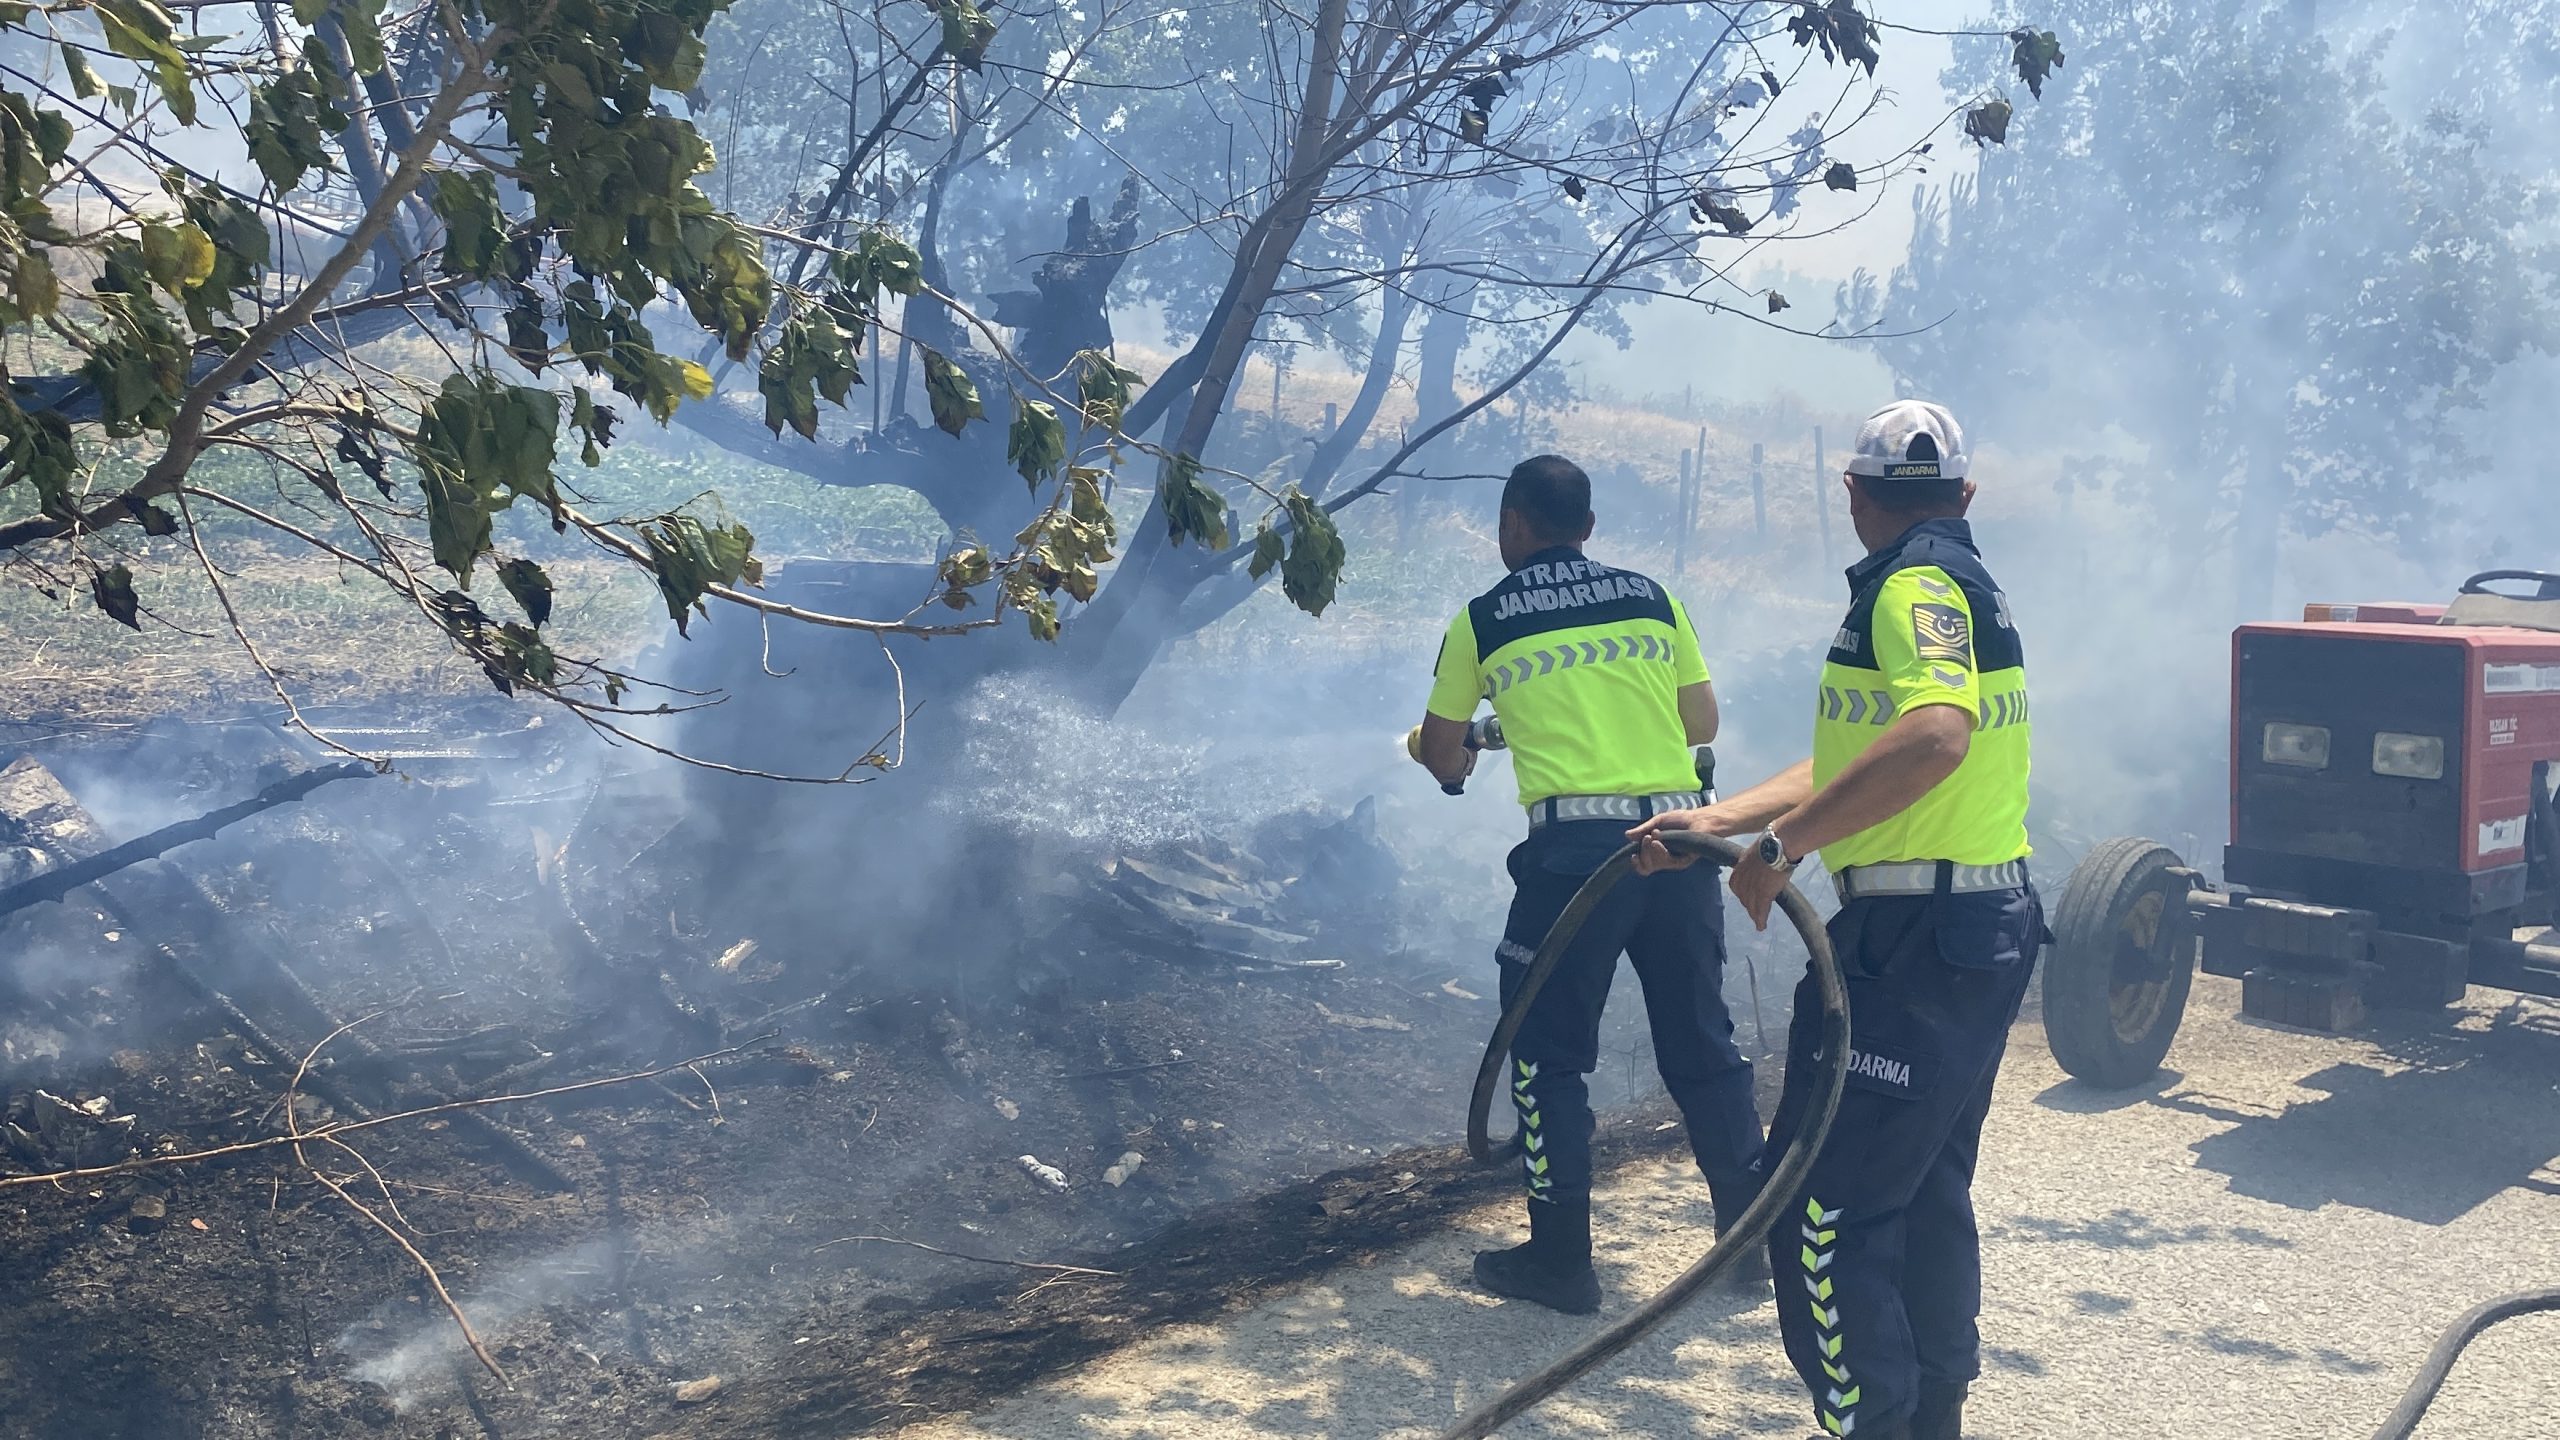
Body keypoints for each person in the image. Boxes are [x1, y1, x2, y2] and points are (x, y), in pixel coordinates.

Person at [1631, 400, 2040, 1440]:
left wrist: (1785, 848)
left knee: (1816, 1211)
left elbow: (1934, 738)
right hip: (1970, 929)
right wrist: (1726, 817)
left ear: (1852, 495)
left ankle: (1873, 1424)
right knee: (1923, 1193)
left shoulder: (1910, 589)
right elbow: (1879, 751)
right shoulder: (1960, 583)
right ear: (1964, 495)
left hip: (1912, 944)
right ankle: (1927, 1419)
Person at [1411, 453, 1766, 1316]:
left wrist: (1456, 753)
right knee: (1701, 1045)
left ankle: (1562, 1263)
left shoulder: (1483, 619)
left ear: (1511, 527)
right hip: (1684, 843)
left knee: (1545, 1056)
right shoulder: (1653, 596)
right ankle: (1751, 1249)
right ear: (1590, 529)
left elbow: (1443, 749)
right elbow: (1700, 721)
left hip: (1577, 859)